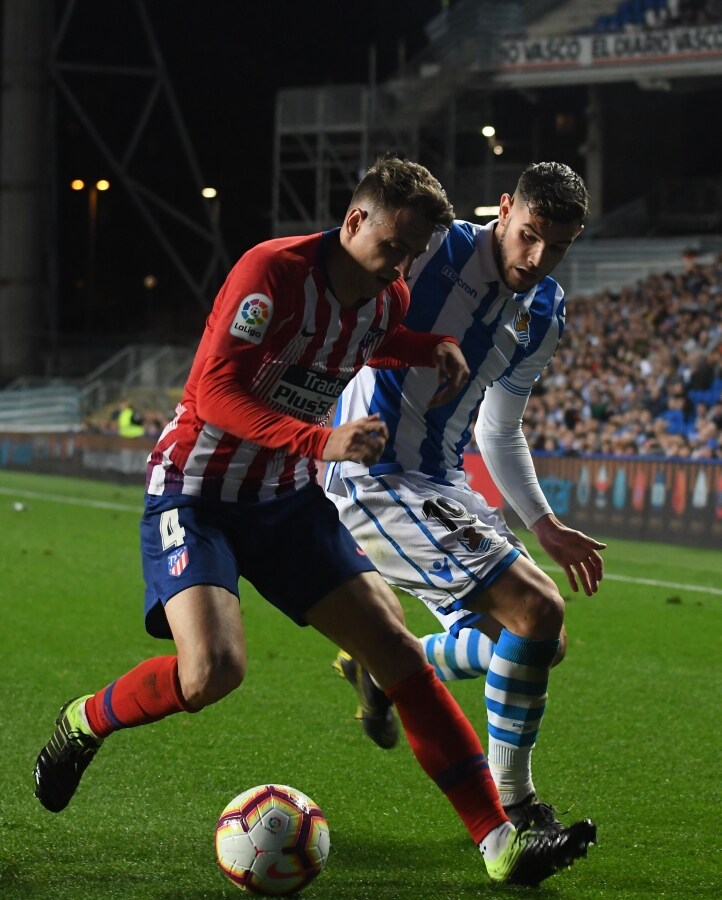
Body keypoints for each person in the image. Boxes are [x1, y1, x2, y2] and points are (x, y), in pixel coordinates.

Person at [33, 155, 595, 887]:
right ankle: (84, 721)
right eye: (393, 248)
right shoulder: (271, 272)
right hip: (197, 492)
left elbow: (376, 340)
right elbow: (214, 393)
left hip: (289, 500)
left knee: (396, 650)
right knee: (213, 673)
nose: (401, 268)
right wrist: (319, 439)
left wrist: (430, 346)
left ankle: (500, 840)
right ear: (354, 219)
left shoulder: (388, 294)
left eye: (411, 255)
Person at [325, 161, 606, 830]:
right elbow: (337, 287)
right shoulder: (432, 247)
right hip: (375, 474)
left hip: (440, 484)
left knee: (537, 640)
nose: (538, 258)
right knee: (536, 613)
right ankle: (517, 809)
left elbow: (498, 427)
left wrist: (544, 524)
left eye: (558, 245)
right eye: (529, 234)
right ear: (503, 210)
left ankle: (387, 663)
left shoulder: (544, 312)